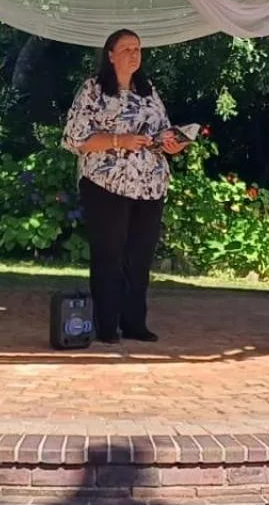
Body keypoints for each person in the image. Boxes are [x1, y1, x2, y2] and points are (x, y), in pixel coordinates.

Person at [62, 29, 187, 344]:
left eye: (138, 48)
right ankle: (106, 325)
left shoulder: (148, 91)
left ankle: (134, 322)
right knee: (109, 255)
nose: (134, 54)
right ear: (111, 54)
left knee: (140, 256)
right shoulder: (93, 90)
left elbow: (160, 131)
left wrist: (170, 142)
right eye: (127, 48)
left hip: (149, 186)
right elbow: (74, 139)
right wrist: (119, 140)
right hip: (107, 184)